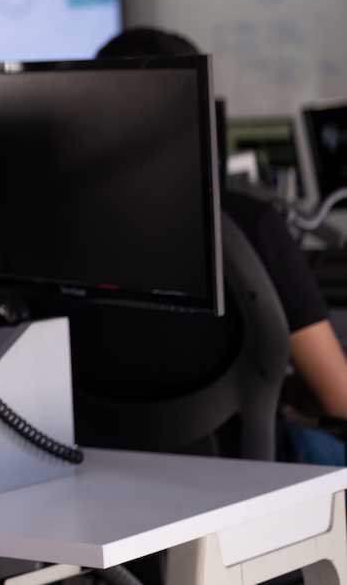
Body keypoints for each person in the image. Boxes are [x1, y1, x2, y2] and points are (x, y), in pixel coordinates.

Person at [96, 26, 347, 463]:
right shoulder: (251, 223)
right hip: (239, 471)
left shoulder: (57, 236)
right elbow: (338, 398)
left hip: (105, 464)